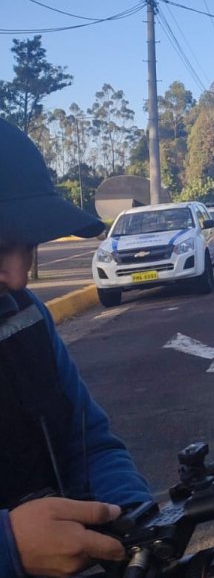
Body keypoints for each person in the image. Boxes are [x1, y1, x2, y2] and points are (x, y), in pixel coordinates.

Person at [0, 118, 153, 576]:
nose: (18, 277)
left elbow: (88, 444)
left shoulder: (25, 318)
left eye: (26, 248)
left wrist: (133, 515)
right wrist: (9, 548)